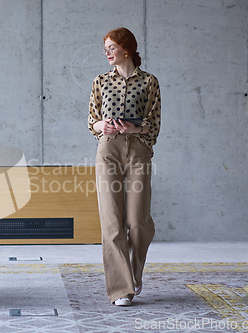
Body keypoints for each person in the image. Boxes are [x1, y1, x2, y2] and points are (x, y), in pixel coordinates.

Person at [87, 28, 161, 306]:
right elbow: (91, 119)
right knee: (112, 221)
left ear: (127, 49)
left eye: (112, 47)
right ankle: (121, 289)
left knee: (139, 222)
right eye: (105, 47)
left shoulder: (149, 82)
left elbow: (153, 124)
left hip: (139, 150)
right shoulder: (100, 81)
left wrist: (134, 127)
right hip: (108, 149)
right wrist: (101, 125)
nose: (107, 52)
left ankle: (133, 273)